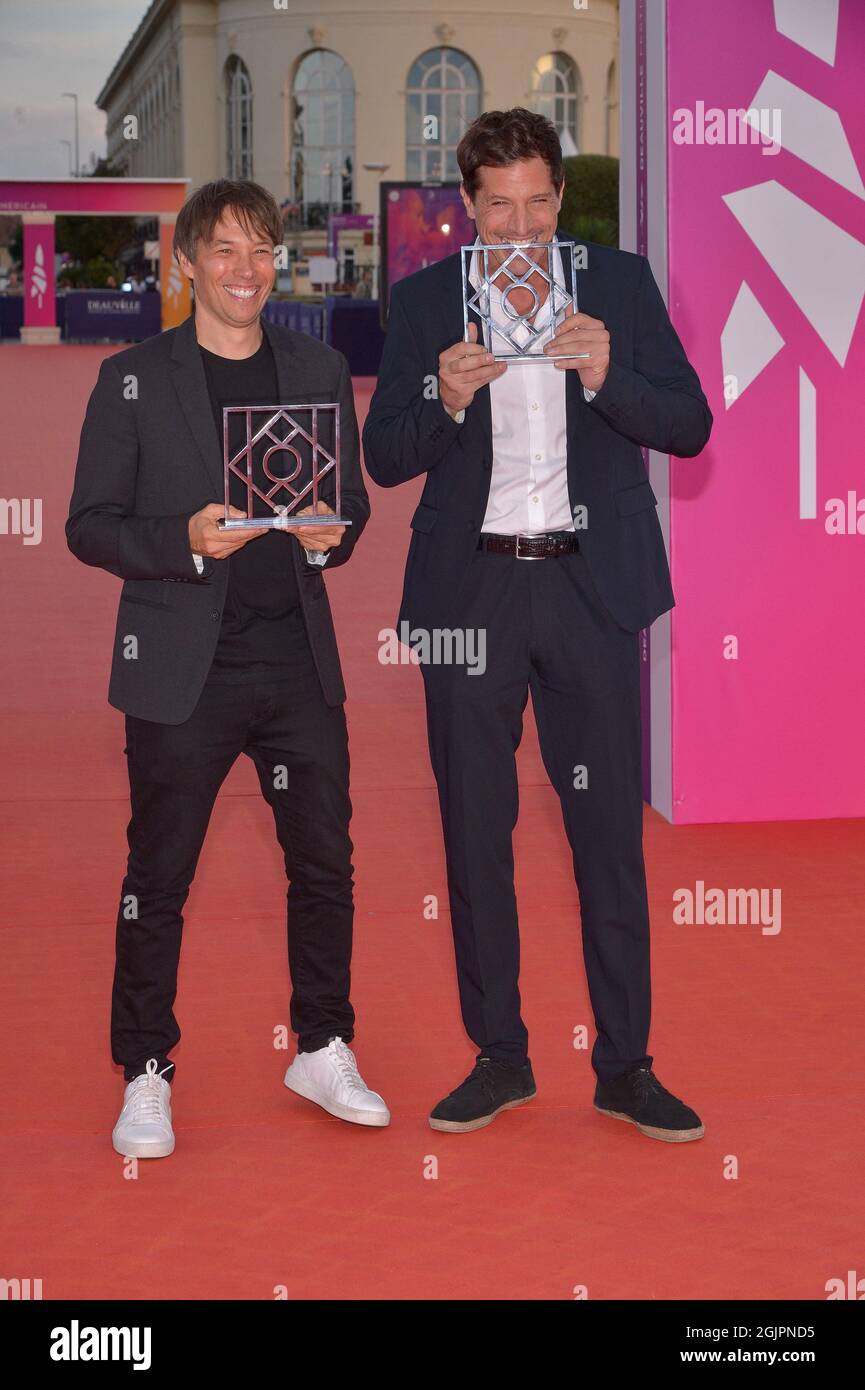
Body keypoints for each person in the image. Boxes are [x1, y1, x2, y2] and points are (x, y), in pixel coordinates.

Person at [363, 108, 712, 1141]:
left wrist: (608, 378)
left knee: (606, 839)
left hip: (587, 591)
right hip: (469, 596)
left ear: (560, 199)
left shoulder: (618, 286)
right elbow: (385, 455)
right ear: (466, 207)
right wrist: (444, 396)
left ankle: (625, 1064)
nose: (518, 228)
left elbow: (688, 425)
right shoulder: (426, 299)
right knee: (475, 834)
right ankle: (500, 1055)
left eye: (536, 203)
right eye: (497, 206)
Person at [67, 178, 388, 1159]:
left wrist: (335, 538)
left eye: (262, 252)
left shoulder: (318, 366)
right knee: (157, 877)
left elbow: (352, 505)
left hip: (294, 660)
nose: (245, 271)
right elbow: (89, 524)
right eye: (225, 251)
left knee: (324, 865)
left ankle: (322, 1043)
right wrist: (188, 539)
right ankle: (146, 1068)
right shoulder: (132, 377)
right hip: (180, 672)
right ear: (186, 263)